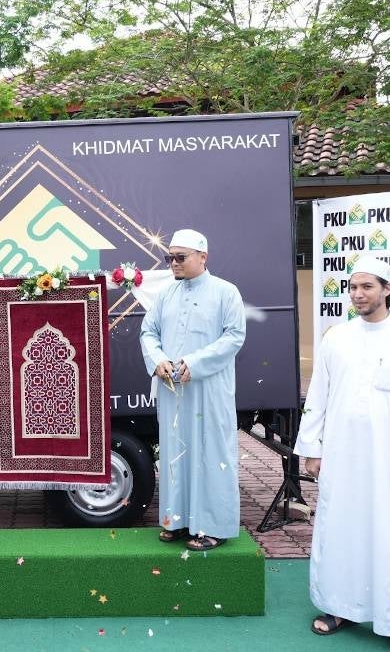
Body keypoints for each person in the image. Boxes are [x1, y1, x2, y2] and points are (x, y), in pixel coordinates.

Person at [294, 256, 390, 652]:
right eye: (353, 287)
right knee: (339, 529)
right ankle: (338, 607)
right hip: (341, 455)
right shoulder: (337, 338)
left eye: (367, 286)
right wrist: (312, 448)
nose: (357, 294)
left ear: (387, 289)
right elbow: (318, 395)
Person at [140, 229, 246, 551]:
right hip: (174, 393)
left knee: (211, 453)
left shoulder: (226, 293)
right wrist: (157, 360)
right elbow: (149, 332)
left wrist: (194, 363)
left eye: (180, 257)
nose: (173, 263)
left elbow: (234, 337)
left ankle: (214, 526)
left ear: (203, 257)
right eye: (170, 257)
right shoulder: (166, 295)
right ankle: (178, 520)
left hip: (209, 391)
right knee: (176, 453)